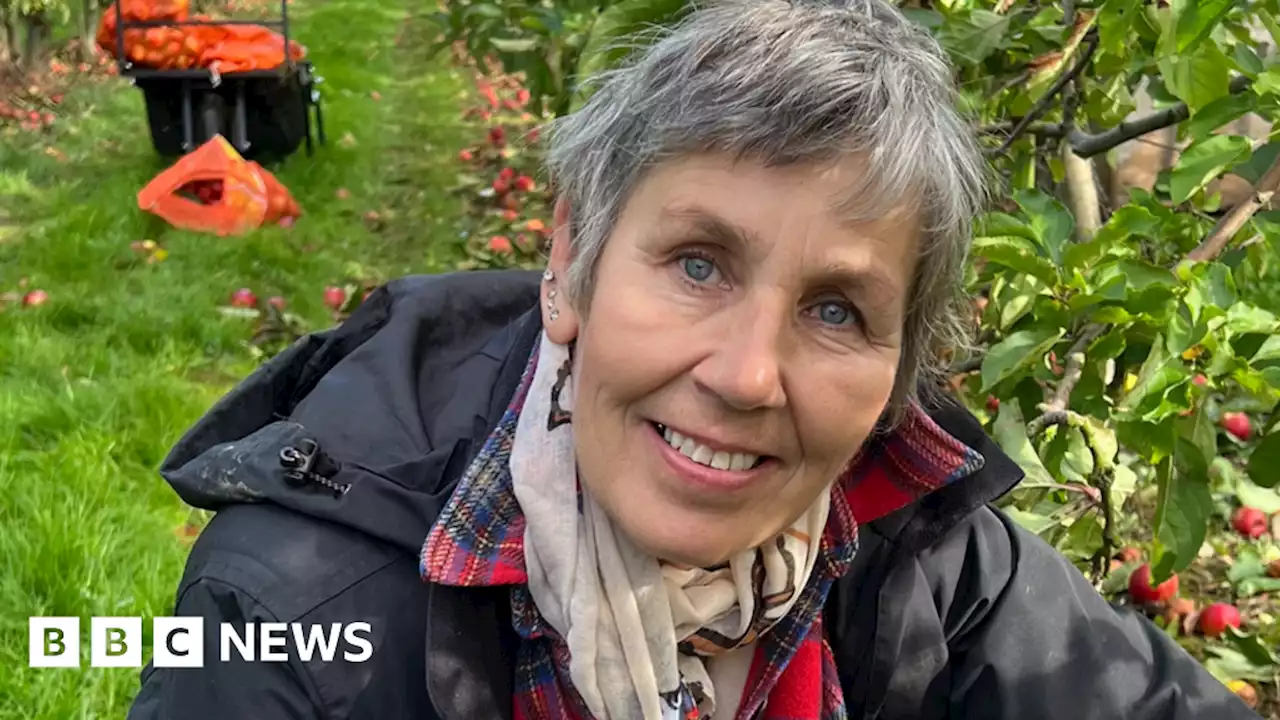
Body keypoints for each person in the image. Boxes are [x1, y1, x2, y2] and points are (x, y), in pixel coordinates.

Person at [126, 1, 1262, 718]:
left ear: (898, 369)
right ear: (569, 262)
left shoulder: (923, 556)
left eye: (834, 311)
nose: (746, 375)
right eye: (698, 265)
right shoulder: (288, 615)